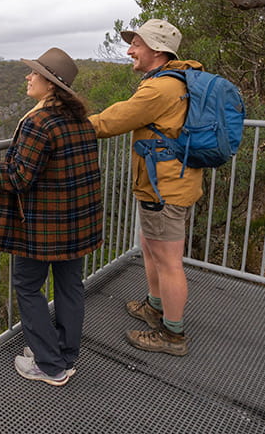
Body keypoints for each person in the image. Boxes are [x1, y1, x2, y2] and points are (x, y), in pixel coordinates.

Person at [0, 48, 103, 386]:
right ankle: (65, 354)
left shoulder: (39, 122)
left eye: (35, 73)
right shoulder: (78, 119)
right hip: (77, 221)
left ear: (50, 85)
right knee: (70, 285)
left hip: (45, 226)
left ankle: (49, 366)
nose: (28, 77)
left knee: (26, 284)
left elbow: (19, 177)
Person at [87, 18, 204, 357]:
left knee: (168, 260)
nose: (130, 50)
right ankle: (156, 308)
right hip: (168, 181)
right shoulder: (173, 81)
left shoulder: (159, 88)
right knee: (152, 248)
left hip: (165, 186)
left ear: (156, 49)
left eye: (136, 44)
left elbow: (114, 120)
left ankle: (173, 334)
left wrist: (71, 124)